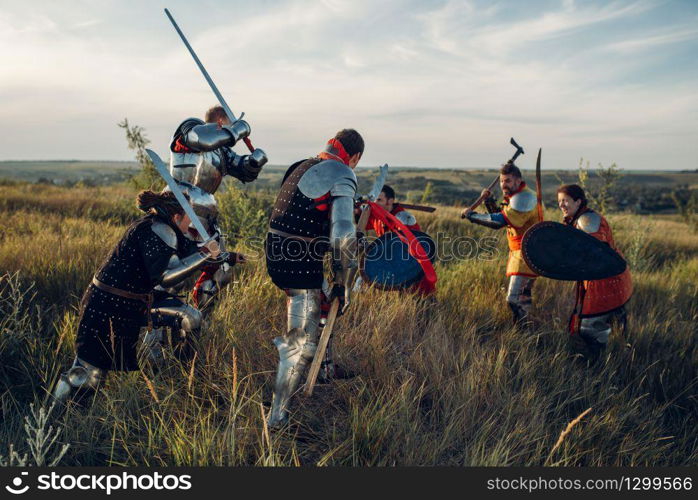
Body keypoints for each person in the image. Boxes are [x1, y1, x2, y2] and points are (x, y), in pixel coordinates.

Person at [53, 190, 221, 403]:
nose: (191, 221)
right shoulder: (158, 229)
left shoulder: (162, 227)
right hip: (108, 304)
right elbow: (166, 277)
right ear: (176, 216)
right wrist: (205, 254)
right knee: (88, 372)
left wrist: (217, 254)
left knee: (191, 317)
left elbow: (182, 254)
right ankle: (55, 416)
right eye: (188, 216)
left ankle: (186, 378)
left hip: (128, 303)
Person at [265, 129, 363, 428]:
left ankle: (325, 368)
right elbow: (342, 236)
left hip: (277, 251)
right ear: (355, 157)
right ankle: (277, 417)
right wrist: (344, 284)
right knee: (300, 344)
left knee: (322, 304)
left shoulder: (300, 166)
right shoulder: (342, 172)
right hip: (299, 263)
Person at [168, 105, 266, 310]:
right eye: (231, 125)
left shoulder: (221, 151)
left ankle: (197, 319)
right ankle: (157, 332)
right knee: (175, 276)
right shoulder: (190, 129)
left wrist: (255, 162)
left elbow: (244, 171)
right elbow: (202, 139)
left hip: (205, 216)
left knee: (221, 269)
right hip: (178, 210)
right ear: (221, 122)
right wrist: (238, 130)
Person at [462, 162, 542, 325]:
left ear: (518, 181)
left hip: (527, 255)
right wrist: (489, 201)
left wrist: (472, 216)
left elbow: (500, 221)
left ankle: (526, 330)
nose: (504, 185)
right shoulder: (516, 197)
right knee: (522, 300)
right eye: (502, 181)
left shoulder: (525, 198)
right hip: (520, 254)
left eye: (508, 181)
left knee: (514, 300)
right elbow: (501, 216)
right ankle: (526, 333)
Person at [557, 184, 632, 353]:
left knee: (589, 327)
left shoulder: (587, 221)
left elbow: (594, 254)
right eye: (559, 201)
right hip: (604, 277)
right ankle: (616, 353)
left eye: (565, 200)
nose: (561, 205)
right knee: (610, 322)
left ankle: (599, 364)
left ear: (578, 201)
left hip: (605, 279)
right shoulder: (578, 219)